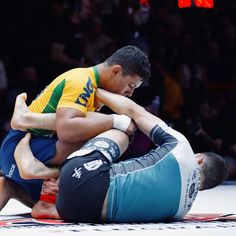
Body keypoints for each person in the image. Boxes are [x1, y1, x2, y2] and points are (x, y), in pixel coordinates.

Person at [15, 89, 229, 223]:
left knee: (125, 128)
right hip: (77, 210)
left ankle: (32, 127)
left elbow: (135, 112)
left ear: (198, 158)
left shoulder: (182, 147)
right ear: (202, 187)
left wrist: (97, 90)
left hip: (82, 176)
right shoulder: (181, 211)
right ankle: (49, 204)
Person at [0, 45, 151, 210]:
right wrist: (115, 121)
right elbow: (66, 130)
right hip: (20, 149)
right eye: (130, 86)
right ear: (116, 71)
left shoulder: (91, 86)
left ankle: (11, 188)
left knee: (94, 125)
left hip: (26, 162)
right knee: (107, 134)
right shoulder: (82, 81)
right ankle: (45, 177)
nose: (130, 93)